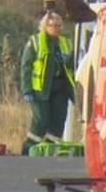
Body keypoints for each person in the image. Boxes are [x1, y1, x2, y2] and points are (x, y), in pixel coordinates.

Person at [20, 12, 75, 156]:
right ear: (45, 26)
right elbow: (26, 67)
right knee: (41, 120)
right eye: (53, 25)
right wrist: (27, 90)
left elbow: (72, 64)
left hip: (61, 88)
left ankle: (48, 152)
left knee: (58, 121)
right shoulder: (35, 42)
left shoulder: (65, 43)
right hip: (40, 90)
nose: (56, 28)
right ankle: (28, 150)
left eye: (59, 25)